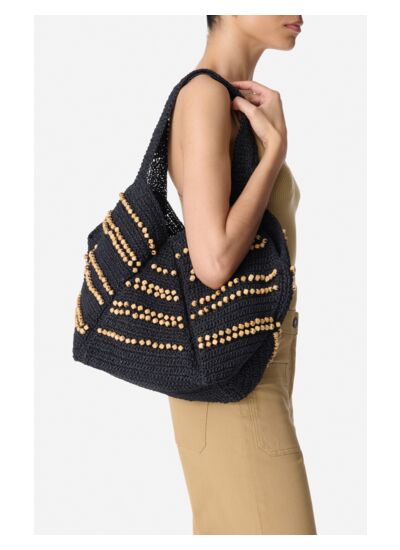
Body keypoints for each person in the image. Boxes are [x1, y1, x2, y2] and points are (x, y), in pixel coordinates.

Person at [167, 15, 317, 535]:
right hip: (234, 388)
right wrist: (274, 154)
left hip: (249, 377)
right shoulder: (204, 96)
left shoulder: (225, 99)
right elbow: (213, 263)